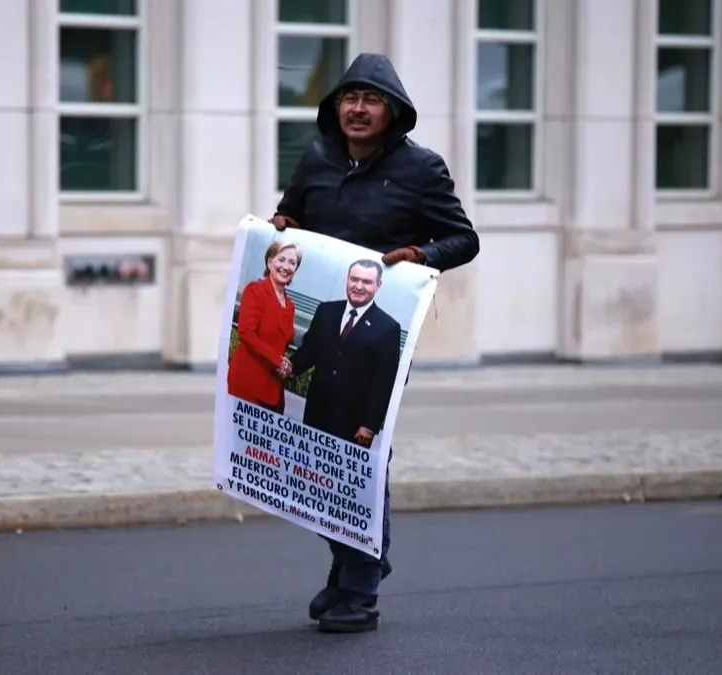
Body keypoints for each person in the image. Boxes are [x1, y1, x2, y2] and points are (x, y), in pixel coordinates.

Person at [270, 53, 480, 634]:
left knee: (361, 450)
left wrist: (422, 255)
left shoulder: (422, 169)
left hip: (382, 337)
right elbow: (290, 217)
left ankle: (359, 589)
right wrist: (280, 225)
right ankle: (355, 564)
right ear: (335, 107)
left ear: (393, 112)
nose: (358, 110)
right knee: (312, 453)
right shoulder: (314, 158)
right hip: (327, 328)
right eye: (348, 99)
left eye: (371, 100)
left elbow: (463, 240)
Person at [286, 258, 400, 444]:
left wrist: (370, 425)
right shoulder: (326, 310)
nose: (358, 286)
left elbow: (384, 382)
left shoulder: (388, 328)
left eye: (366, 282)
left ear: (378, 285)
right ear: (347, 279)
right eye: (354, 279)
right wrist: (289, 367)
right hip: (316, 411)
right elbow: (310, 351)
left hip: (353, 424)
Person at [227, 240, 301, 414]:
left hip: (274, 389)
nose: (286, 267)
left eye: (292, 263)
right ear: (269, 262)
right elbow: (246, 332)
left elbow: (283, 342)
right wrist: (277, 360)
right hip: (248, 383)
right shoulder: (255, 290)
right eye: (281, 259)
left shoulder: (290, 305)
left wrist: (287, 366)